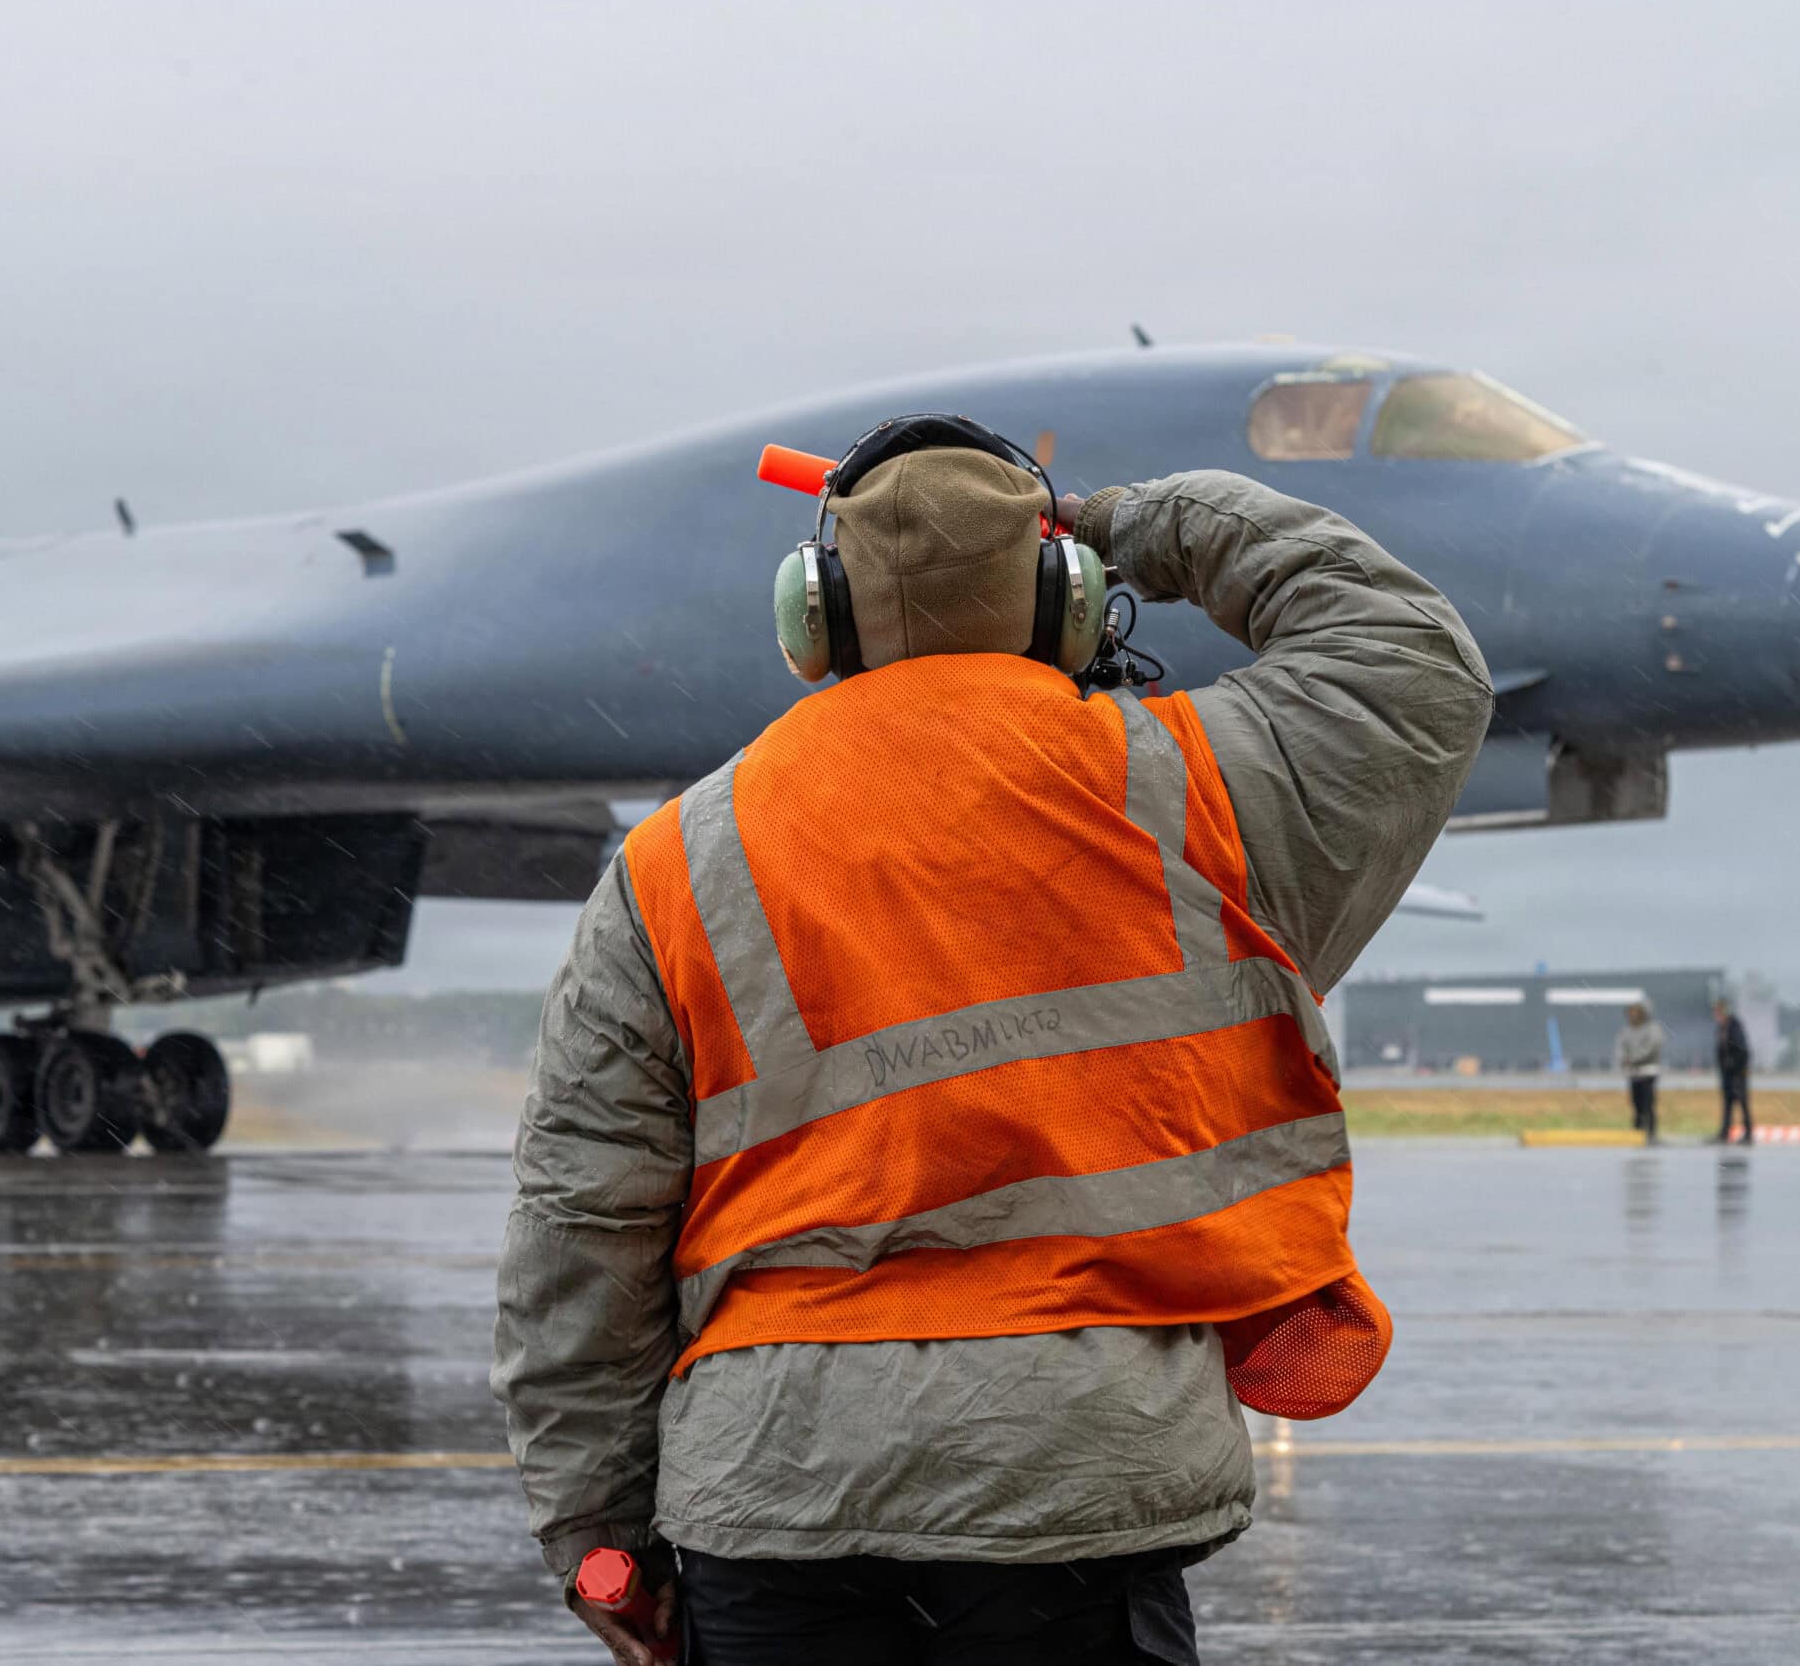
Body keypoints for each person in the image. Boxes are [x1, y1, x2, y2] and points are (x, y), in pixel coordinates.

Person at [493, 428, 1494, 1666]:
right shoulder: (1199, 787)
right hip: (1071, 1490)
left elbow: (578, 1226)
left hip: (775, 1493)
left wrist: (597, 1537)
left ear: (815, 619)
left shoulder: (670, 869)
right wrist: (1132, 519)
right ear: (1066, 600)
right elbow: (1407, 650)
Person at [1615, 1002, 1667, 1143]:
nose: (1633, 1015)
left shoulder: (1652, 1029)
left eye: (1636, 1012)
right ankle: (1637, 1133)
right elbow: (1620, 1047)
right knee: (1636, 1105)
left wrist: (1633, 1059)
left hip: (1648, 1072)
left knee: (1648, 1104)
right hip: (1634, 1074)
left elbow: (1651, 1047)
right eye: (1631, 1012)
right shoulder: (1626, 1031)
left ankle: (1651, 1134)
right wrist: (1624, 1059)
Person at [1712, 999, 1753, 1144]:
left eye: (1717, 1012)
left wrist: (1734, 1065)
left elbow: (1743, 1051)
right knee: (1728, 1104)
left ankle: (1748, 1134)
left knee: (1743, 1103)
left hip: (1737, 1074)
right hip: (1727, 1074)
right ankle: (1724, 1133)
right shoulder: (1722, 1027)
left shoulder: (1734, 1027)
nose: (1715, 1016)